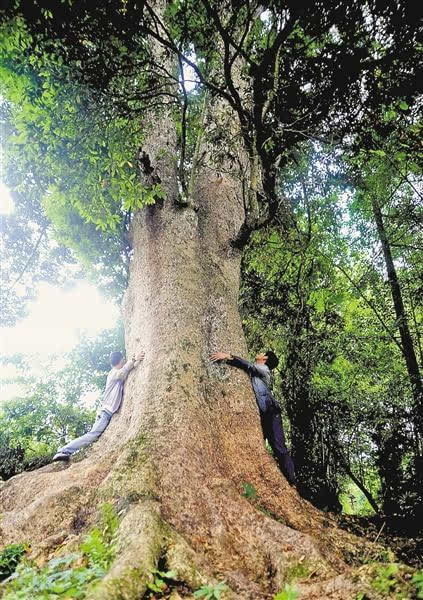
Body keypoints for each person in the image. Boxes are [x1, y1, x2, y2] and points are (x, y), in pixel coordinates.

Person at [210, 350, 296, 486]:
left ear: (265, 359)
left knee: (279, 447)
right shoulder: (258, 371)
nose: (259, 353)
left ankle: (292, 481)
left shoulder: (264, 369)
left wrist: (229, 356)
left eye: (262, 353)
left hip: (272, 413)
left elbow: (248, 366)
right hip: (264, 414)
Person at [52, 350, 145, 462]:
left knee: (94, 435)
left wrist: (134, 363)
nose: (125, 362)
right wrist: (134, 359)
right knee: (92, 435)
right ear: (122, 360)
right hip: (105, 413)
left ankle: (65, 450)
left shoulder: (117, 374)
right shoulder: (113, 373)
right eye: (124, 360)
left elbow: (125, 372)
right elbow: (122, 373)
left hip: (108, 413)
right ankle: (63, 451)